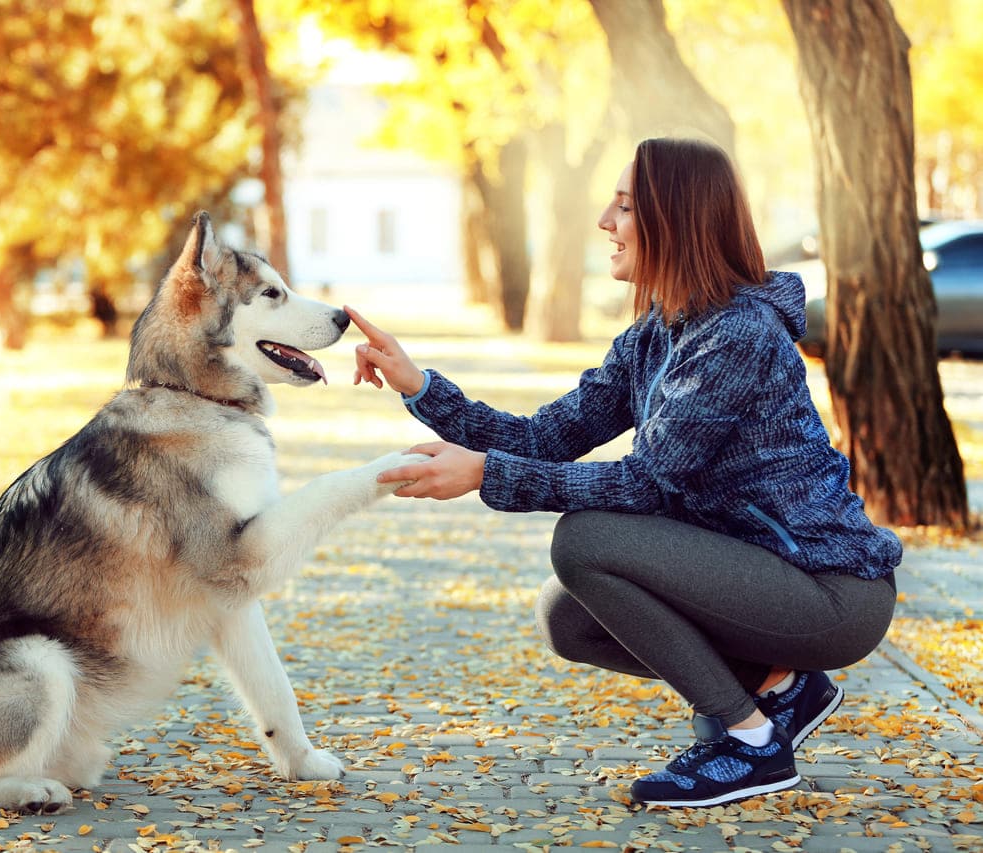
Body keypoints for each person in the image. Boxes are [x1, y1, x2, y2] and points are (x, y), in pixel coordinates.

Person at [345, 136, 901, 809]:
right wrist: (420, 384)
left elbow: (646, 484)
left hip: (830, 590)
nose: (605, 224)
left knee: (584, 541)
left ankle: (751, 742)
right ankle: (782, 687)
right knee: (569, 616)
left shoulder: (738, 335)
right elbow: (545, 436)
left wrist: (486, 474)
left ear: (677, 218)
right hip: (763, 573)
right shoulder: (655, 333)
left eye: (625, 207)